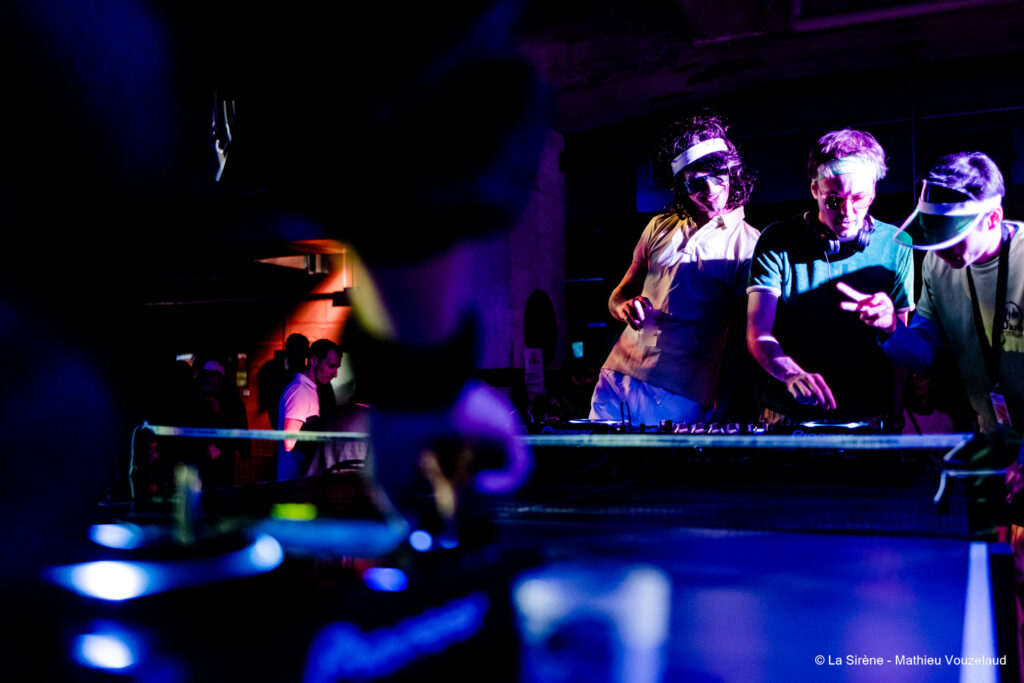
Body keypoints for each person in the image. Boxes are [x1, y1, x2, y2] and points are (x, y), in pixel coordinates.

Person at [589, 110, 760, 426]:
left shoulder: (750, 244)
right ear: (681, 184)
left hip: (680, 392)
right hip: (616, 376)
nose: (710, 189)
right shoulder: (659, 226)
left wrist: (728, 407)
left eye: (717, 176)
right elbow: (618, 295)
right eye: (696, 182)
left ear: (732, 173)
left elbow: (742, 340)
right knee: (594, 459)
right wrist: (624, 306)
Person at [839, 150, 1023, 433]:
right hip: (993, 435)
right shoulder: (936, 265)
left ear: (992, 218)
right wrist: (891, 326)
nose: (939, 250)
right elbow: (923, 357)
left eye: (951, 236)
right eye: (933, 237)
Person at [746, 129, 914, 426]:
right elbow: (757, 332)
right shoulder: (776, 239)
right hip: (788, 416)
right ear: (815, 190)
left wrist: (897, 414)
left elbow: (902, 347)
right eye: (834, 200)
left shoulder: (897, 244)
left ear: (874, 191)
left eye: (859, 198)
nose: (848, 212)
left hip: (868, 416)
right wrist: (790, 372)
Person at [277, 339, 341, 480]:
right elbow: (288, 443)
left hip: (302, 479)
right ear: (313, 361)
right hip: (293, 481)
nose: (335, 374)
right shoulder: (300, 391)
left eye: (337, 368)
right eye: (331, 366)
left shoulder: (309, 390)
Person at [258, 333, 308, 429]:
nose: (298, 354)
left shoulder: (312, 377)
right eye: (294, 350)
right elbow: (272, 407)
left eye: (301, 349)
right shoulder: (275, 375)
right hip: (285, 428)